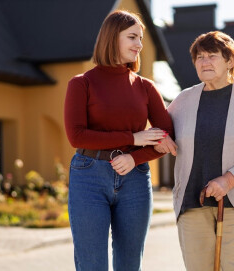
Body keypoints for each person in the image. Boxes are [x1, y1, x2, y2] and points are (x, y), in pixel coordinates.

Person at [64, 10, 174, 271]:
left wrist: (134, 156)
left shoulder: (146, 87)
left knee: (129, 264)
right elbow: (76, 135)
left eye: (141, 38)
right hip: (88, 177)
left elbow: (167, 137)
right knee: (92, 264)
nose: (139, 45)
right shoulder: (81, 84)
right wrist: (134, 138)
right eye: (132, 37)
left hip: (135, 178)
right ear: (113, 38)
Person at [155, 31, 234, 270]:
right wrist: (160, 138)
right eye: (199, 57)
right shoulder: (184, 100)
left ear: (230, 61)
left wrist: (228, 180)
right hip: (192, 204)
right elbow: (160, 130)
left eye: (212, 56)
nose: (204, 62)